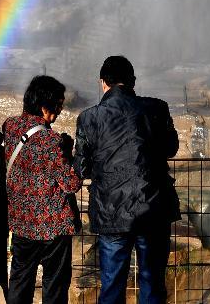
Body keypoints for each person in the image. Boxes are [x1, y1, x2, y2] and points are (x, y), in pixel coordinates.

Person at [73, 56, 179, 304]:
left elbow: (82, 167)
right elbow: (171, 148)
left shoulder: (89, 118)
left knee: (111, 286)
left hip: (111, 212)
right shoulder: (157, 108)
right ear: (132, 81)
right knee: (152, 285)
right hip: (153, 210)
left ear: (103, 83)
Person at [3, 75, 81, 304]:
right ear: (44, 106)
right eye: (57, 106)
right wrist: (67, 152)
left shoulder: (10, 127)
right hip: (53, 227)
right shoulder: (51, 140)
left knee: (19, 281)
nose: (58, 113)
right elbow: (71, 184)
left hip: (21, 222)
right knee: (54, 287)